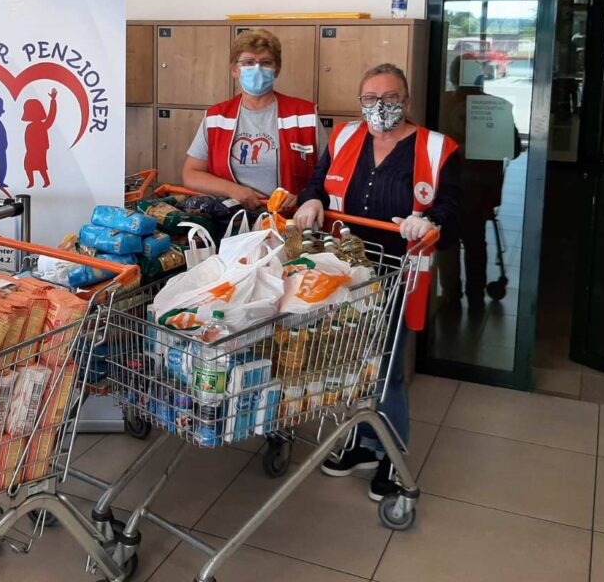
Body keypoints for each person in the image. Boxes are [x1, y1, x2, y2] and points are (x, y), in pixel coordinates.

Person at [293, 62, 461, 502]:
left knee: (386, 368)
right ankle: (363, 443)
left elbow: (452, 206)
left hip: (398, 272)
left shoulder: (437, 148)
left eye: (389, 98)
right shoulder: (345, 138)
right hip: (343, 272)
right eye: (370, 98)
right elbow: (317, 183)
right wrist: (310, 201)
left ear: (406, 101)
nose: (380, 106)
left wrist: (428, 221)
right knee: (351, 359)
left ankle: (392, 453)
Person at [183, 29, 323, 210]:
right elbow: (191, 174)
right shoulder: (217, 117)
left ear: (277, 70)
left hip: (290, 219)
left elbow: (330, 174)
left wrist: (304, 197)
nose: (257, 69)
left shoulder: (305, 115)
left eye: (266, 62)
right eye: (248, 62)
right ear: (235, 70)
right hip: (230, 217)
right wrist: (233, 190)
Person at [438, 57, 521, 314]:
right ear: (480, 78)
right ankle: (476, 297)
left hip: (449, 187)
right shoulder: (496, 106)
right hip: (482, 188)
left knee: (448, 243)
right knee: (476, 242)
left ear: (453, 77)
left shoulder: (440, 103)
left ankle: (452, 297)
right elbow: (514, 149)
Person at [23, 88, 57, 188]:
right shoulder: (29, 126)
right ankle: (31, 182)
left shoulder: (43, 125)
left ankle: (46, 181)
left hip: (40, 150)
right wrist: (29, 148)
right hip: (31, 150)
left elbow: (51, 116)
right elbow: (27, 139)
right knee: (28, 166)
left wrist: (53, 101)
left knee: (41, 166)